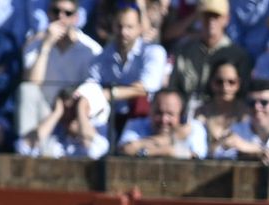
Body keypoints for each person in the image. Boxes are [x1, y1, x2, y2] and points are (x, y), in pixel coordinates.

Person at [17, 0, 101, 134]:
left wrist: (66, 109)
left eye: (67, 13)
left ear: (76, 18)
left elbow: (94, 90)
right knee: (25, 89)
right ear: (48, 14)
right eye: (56, 11)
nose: (60, 17)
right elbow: (32, 85)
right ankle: (27, 148)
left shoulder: (91, 49)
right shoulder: (34, 44)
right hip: (43, 112)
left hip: (74, 114)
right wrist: (46, 46)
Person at [89, 2, 165, 119]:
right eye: (119, 26)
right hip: (107, 117)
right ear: (113, 26)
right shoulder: (101, 57)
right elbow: (91, 85)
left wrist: (111, 93)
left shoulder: (154, 52)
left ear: (140, 28)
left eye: (129, 27)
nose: (124, 32)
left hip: (144, 119)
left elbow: (145, 88)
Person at [167, 0, 249, 100]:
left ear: (226, 19)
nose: (211, 21)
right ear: (199, 18)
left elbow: (241, 98)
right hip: (187, 110)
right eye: (206, 15)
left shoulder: (238, 56)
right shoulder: (184, 52)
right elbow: (173, 89)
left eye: (216, 16)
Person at [212, 75, 269, 158]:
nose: (257, 107)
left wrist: (248, 148)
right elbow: (219, 154)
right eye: (251, 103)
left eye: (264, 102)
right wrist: (256, 152)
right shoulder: (238, 129)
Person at [16, 79, 105, 153]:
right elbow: (22, 148)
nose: (70, 117)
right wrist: (57, 113)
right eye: (66, 112)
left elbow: (96, 152)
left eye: (73, 110)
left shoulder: (99, 128)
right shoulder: (55, 132)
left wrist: (80, 108)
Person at [117, 84, 205, 153]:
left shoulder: (194, 128)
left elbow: (195, 158)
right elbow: (125, 150)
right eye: (158, 113)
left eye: (170, 114)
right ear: (150, 112)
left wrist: (143, 149)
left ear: (181, 115)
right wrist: (172, 139)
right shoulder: (135, 125)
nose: (164, 120)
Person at [195, 57, 244, 148]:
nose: (225, 87)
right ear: (211, 83)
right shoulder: (200, 112)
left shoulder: (246, 113)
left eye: (231, 82)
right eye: (219, 82)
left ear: (238, 84)